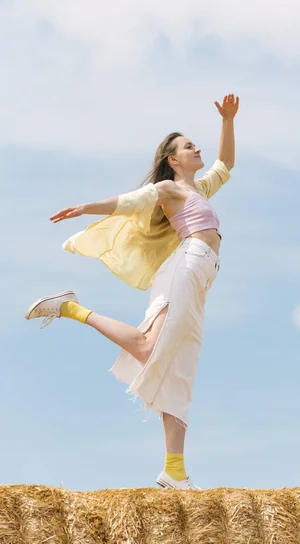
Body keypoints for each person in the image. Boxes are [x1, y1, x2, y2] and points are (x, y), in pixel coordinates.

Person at [25, 93, 239, 490]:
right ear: (173, 160)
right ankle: (70, 309)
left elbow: (226, 165)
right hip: (187, 265)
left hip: (201, 275)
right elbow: (131, 201)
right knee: (157, 353)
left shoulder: (200, 190)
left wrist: (228, 120)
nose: (198, 150)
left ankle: (174, 470)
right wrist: (85, 207)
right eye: (189, 147)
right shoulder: (171, 190)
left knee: (169, 360)